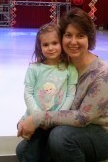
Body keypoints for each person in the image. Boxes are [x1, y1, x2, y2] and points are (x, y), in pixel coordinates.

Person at [16, 8, 108, 162]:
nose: (73, 42)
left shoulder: (103, 73)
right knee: (24, 150)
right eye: (68, 35)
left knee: (60, 137)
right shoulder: (61, 65)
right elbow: (43, 96)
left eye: (80, 36)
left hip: (100, 133)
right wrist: (27, 118)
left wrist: (38, 118)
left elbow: (83, 118)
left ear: (89, 38)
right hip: (63, 126)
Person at [17, 23, 78, 162]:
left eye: (55, 43)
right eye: (45, 45)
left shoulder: (70, 69)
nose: (50, 48)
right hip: (35, 118)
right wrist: (38, 116)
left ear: (61, 43)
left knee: (49, 150)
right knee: (33, 150)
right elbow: (28, 93)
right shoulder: (34, 69)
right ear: (40, 47)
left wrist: (58, 116)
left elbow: (70, 95)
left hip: (57, 120)